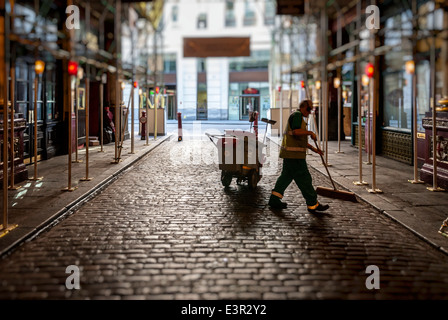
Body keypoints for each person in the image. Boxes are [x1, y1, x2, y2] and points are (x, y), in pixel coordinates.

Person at [268, 99, 330, 213]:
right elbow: (296, 132)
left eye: (311, 110)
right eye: (309, 109)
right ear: (303, 107)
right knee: (305, 179)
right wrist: (310, 132)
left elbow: (299, 140)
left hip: (290, 155)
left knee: (285, 178)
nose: (310, 112)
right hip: (295, 156)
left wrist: (314, 149)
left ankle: (274, 199)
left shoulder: (298, 117)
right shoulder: (297, 115)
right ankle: (313, 204)